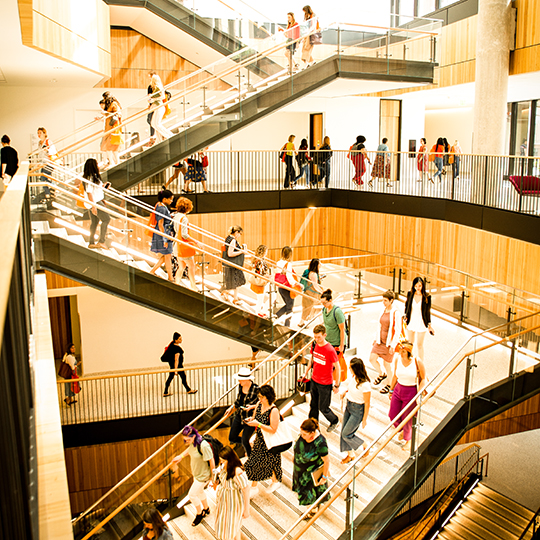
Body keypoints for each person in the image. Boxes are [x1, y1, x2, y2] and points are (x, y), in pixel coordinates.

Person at [388, 341, 427, 452]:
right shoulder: (397, 359)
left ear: (409, 352)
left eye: (403, 351)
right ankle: (402, 430)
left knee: (407, 417)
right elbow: (395, 374)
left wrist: (420, 391)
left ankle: (408, 439)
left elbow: (423, 378)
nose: (401, 353)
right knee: (393, 414)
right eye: (400, 350)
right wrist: (391, 389)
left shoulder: (417, 361)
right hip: (398, 388)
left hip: (411, 391)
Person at [244, 385, 283, 495]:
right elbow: (255, 418)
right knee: (256, 462)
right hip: (260, 438)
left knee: (270, 461)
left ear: (268, 397)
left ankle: (258, 486)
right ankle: (254, 486)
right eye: (259, 397)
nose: (260, 399)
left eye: (262, 397)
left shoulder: (274, 410)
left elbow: (273, 429)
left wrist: (258, 424)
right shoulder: (259, 405)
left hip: (269, 440)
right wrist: (251, 420)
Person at [172, 426, 215, 526]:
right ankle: (206, 508)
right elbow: (189, 450)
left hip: (203, 476)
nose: (186, 441)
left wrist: (213, 478)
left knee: (192, 495)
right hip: (197, 474)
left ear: (194, 436)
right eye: (185, 439)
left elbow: (211, 460)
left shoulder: (203, 445)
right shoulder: (194, 443)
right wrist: (181, 456)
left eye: (188, 439)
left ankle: (200, 514)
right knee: (199, 492)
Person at [302, 325, 340, 432]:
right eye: (315, 337)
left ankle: (335, 420)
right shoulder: (314, 344)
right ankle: (312, 425)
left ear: (324, 335)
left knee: (323, 408)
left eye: (319, 337)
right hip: (314, 380)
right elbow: (312, 359)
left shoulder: (330, 349)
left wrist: (337, 384)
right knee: (313, 405)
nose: (317, 339)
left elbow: (337, 366)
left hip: (325, 384)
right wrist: (306, 372)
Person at [292, 418, 330, 518]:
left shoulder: (320, 442)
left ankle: (312, 510)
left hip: (310, 473)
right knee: (303, 491)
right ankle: (313, 509)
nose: (302, 436)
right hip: (300, 470)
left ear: (312, 433)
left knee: (308, 493)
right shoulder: (302, 437)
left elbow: (326, 460)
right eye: (301, 433)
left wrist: (324, 476)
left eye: (304, 434)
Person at [369, 290, 402, 395]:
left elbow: (398, 330)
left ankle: (390, 384)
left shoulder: (396, 313)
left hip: (388, 343)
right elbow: (379, 325)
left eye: (385, 301)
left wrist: (393, 345)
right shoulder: (383, 310)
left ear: (391, 301)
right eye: (383, 300)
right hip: (380, 340)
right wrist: (376, 338)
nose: (383, 302)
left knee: (387, 364)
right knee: (372, 359)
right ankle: (381, 373)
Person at [339, 357, 371, 464]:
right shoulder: (354, 378)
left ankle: (364, 445)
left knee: (346, 434)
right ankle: (350, 454)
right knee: (343, 432)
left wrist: (365, 418)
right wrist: (345, 392)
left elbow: (367, 403)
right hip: (349, 406)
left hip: (357, 410)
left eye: (351, 368)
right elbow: (351, 388)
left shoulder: (365, 385)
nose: (349, 369)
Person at [214, 446, 250, 540]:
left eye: (223, 460)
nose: (221, 462)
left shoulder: (237, 471)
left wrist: (246, 509)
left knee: (229, 526)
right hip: (224, 500)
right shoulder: (225, 467)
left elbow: (246, 489)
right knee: (233, 526)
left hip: (232, 503)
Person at [226, 367, 259, 457]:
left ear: (247, 379)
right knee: (232, 437)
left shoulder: (256, 389)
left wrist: (252, 407)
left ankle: (250, 456)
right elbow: (238, 400)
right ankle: (252, 444)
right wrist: (232, 407)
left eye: (241, 379)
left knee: (245, 440)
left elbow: (261, 403)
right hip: (240, 415)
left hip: (250, 418)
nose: (239, 381)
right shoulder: (240, 387)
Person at [172, 197, 200, 291]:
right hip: (184, 246)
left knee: (181, 267)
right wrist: (196, 242)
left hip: (177, 245)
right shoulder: (184, 218)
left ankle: (177, 284)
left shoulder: (176, 216)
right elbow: (184, 234)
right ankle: (193, 286)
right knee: (191, 266)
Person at [83, 158, 111, 250]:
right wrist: (93, 205)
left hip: (96, 201)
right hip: (95, 202)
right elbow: (89, 192)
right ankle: (101, 241)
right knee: (106, 219)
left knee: (94, 222)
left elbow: (95, 190)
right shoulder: (90, 178)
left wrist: (104, 186)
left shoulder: (93, 176)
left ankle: (91, 242)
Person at [404, 277, 433, 362]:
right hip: (411, 320)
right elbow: (407, 306)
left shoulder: (427, 296)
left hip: (421, 321)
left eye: (419, 286)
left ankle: (420, 363)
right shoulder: (410, 294)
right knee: (410, 343)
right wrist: (405, 315)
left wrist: (429, 324)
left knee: (419, 344)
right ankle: (409, 360)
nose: (418, 288)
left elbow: (428, 311)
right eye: (416, 286)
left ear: (423, 286)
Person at [149, 189, 175, 281]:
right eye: (170, 199)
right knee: (167, 255)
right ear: (164, 199)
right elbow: (160, 224)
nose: (171, 201)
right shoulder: (162, 208)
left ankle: (154, 271)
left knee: (166, 256)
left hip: (162, 233)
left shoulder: (159, 205)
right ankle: (170, 277)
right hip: (163, 233)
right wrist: (165, 238)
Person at [162, 332, 197, 396]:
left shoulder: (171, 345)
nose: (181, 340)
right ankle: (188, 390)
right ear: (176, 340)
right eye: (180, 339)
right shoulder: (177, 349)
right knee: (183, 377)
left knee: (171, 378)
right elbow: (176, 360)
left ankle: (165, 392)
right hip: (178, 366)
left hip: (172, 365)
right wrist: (175, 370)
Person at [275, 246, 301, 327]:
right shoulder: (288, 264)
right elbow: (289, 276)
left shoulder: (278, 262)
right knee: (290, 307)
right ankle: (286, 324)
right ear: (289, 254)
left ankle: (277, 316)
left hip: (280, 287)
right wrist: (295, 284)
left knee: (288, 305)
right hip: (287, 288)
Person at [221, 225, 246, 305]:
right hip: (233, 264)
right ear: (236, 232)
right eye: (240, 233)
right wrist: (241, 251)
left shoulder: (228, 238)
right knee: (236, 281)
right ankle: (226, 292)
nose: (239, 235)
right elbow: (230, 253)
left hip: (231, 264)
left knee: (236, 282)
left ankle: (235, 299)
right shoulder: (233, 240)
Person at [33, 127, 58, 203]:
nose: (38, 135)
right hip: (43, 163)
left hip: (49, 163)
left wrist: (47, 150)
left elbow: (53, 151)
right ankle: (50, 191)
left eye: (40, 133)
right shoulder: (39, 143)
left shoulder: (48, 141)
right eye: (38, 133)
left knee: (44, 178)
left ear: (44, 133)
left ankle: (49, 192)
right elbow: (40, 154)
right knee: (44, 179)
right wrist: (39, 162)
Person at [320, 289, 346, 357]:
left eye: (325, 303)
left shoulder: (337, 311)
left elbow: (342, 329)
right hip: (328, 341)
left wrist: (341, 345)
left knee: (335, 365)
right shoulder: (324, 310)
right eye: (322, 303)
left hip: (336, 343)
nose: (324, 305)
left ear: (330, 300)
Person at [148, 72, 173, 143]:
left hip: (160, 107)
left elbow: (162, 97)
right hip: (157, 107)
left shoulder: (159, 87)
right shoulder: (155, 88)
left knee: (157, 124)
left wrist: (153, 99)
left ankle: (169, 135)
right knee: (154, 123)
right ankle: (159, 139)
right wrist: (150, 99)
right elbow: (152, 99)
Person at [298, 258, 323, 327]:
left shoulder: (309, 272)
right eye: (319, 263)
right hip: (312, 294)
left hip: (308, 292)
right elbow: (315, 286)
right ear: (316, 265)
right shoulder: (314, 274)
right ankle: (301, 323)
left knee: (315, 308)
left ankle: (322, 321)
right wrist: (322, 292)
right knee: (308, 309)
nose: (321, 264)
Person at [249, 245, 271, 318]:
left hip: (258, 280)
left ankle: (259, 312)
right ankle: (259, 312)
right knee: (262, 298)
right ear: (264, 252)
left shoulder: (256, 259)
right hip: (260, 282)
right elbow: (261, 273)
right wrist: (270, 276)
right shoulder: (260, 261)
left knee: (261, 298)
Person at [101, 100, 123, 168]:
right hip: (110, 130)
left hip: (113, 130)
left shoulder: (113, 105)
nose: (101, 106)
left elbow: (116, 115)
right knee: (110, 148)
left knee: (110, 147)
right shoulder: (111, 108)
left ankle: (112, 162)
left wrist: (106, 113)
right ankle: (113, 162)